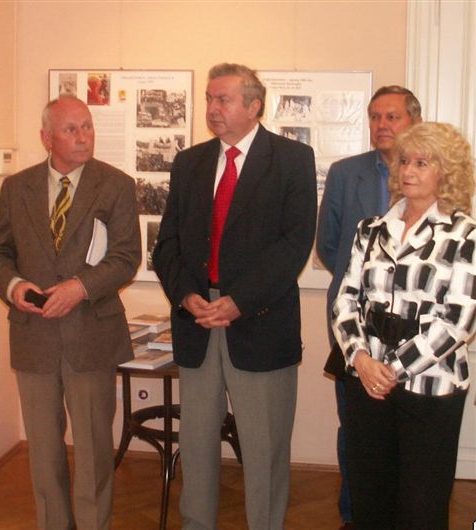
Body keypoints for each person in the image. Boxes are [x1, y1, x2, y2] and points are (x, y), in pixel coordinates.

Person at [153, 63, 317, 530]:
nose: (212, 108)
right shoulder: (190, 162)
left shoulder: (292, 159)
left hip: (259, 320)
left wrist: (239, 301)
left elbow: (294, 244)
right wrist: (186, 296)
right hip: (198, 320)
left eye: (222, 99)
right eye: (209, 98)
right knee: (197, 442)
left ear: (253, 106)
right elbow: (167, 244)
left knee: (264, 446)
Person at [0, 96, 140, 530]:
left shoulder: (116, 185)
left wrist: (80, 287)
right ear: (46, 138)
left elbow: (126, 257)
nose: (84, 137)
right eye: (71, 129)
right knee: (43, 449)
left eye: (87, 126)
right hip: (34, 335)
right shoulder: (17, 187)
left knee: (93, 449)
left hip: (92, 337)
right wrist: (14, 286)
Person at [332, 122, 475, 530]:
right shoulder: (370, 230)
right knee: (370, 498)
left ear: (446, 172)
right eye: (405, 162)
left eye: (422, 163)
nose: (408, 171)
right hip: (367, 382)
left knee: (421, 506)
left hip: (430, 387)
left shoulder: (464, 235)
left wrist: (392, 370)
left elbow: (457, 322)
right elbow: (346, 301)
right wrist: (360, 359)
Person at [315, 85, 422, 529]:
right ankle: (354, 514)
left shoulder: (431, 174)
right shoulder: (346, 173)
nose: (382, 124)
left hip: (415, 334)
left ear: (414, 121)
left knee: (408, 434)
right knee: (356, 427)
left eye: (392, 116)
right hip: (354, 327)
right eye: (375, 116)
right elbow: (329, 245)